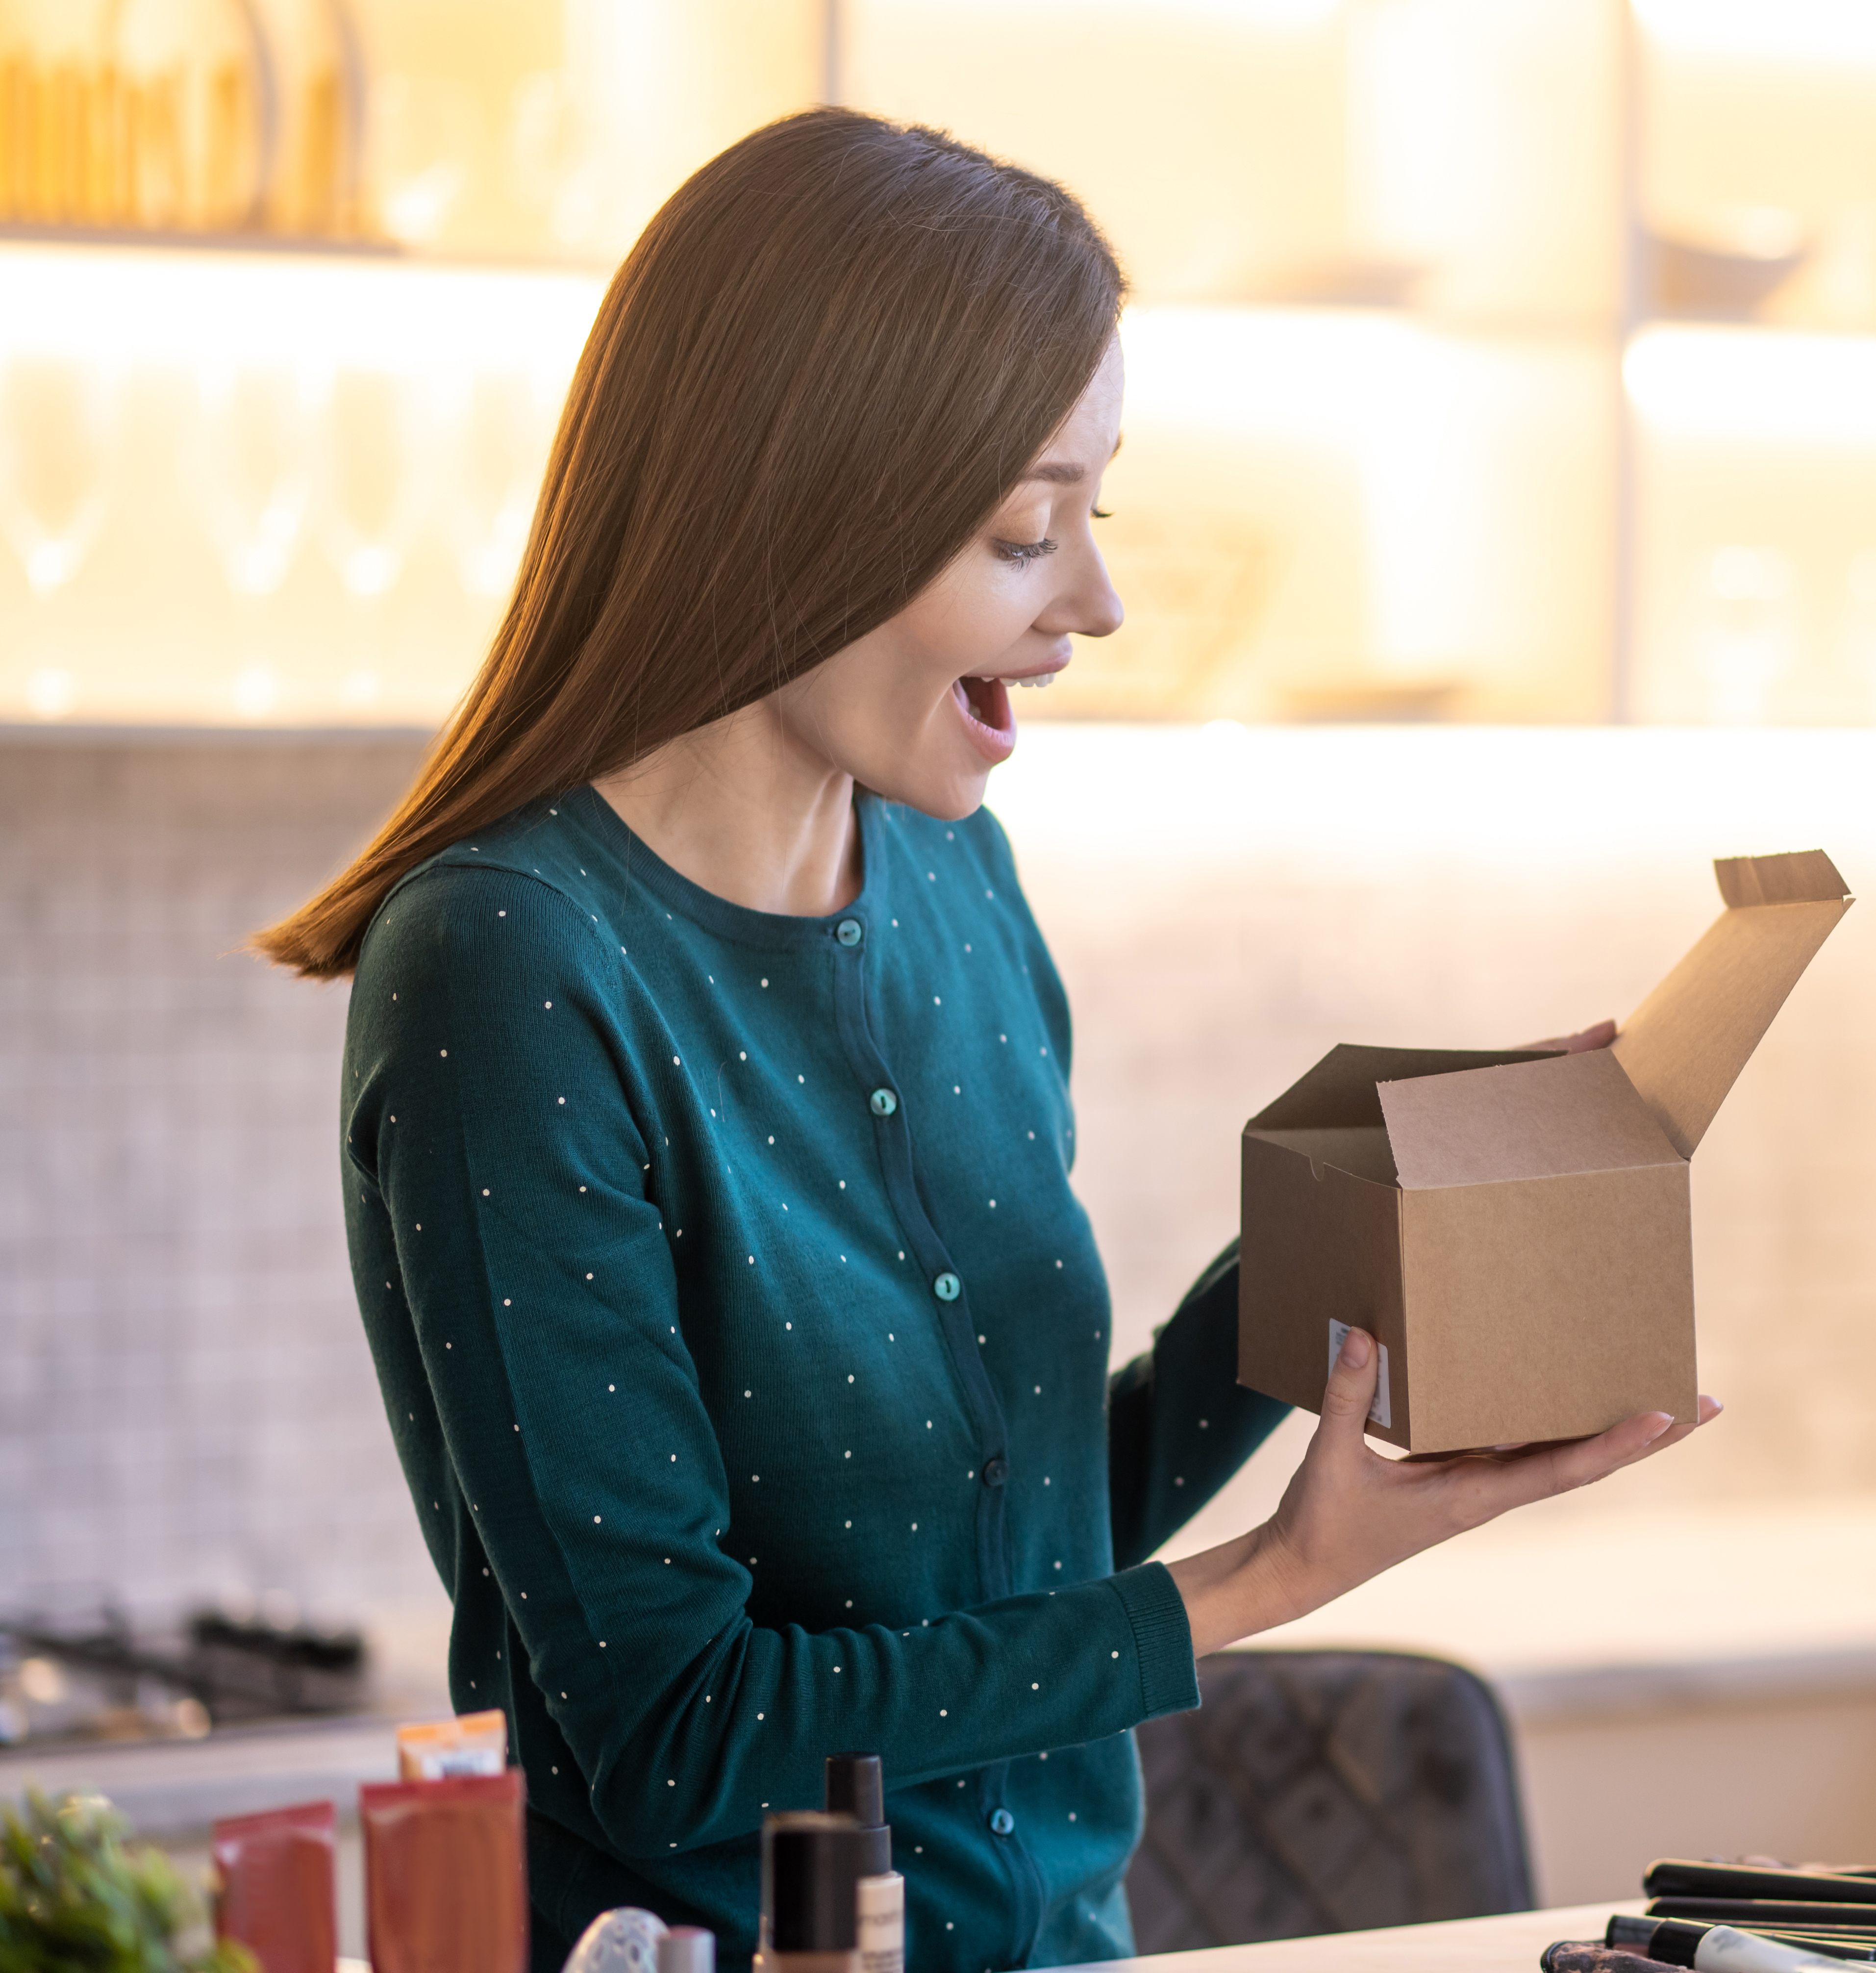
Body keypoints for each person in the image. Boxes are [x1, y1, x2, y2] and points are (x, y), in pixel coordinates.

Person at [255, 107, 1715, 1967]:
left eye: (1095, 517)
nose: (1094, 603)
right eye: (1028, 531)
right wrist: (1264, 1583)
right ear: (803, 510)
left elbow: (1021, 1531)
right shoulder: (511, 969)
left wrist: (1352, 1240)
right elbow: (674, 1730)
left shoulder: (958, 879)